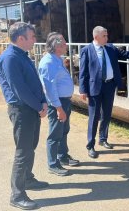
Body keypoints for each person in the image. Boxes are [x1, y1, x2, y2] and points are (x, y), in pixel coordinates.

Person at [79, 26, 129, 158]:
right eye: (104, 36)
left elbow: (126, 54)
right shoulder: (86, 51)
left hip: (109, 86)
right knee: (94, 117)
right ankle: (90, 145)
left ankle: (103, 139)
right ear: (96, 37)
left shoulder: (110, 48)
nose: (107, 38)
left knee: (107, 114)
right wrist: (83, 90)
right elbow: (83, 72)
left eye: (107, 35)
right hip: (95, 88)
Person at [0, 22, 48, 210]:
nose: (35, 40)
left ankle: (27, 178)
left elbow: (34, 81)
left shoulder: (22, 56)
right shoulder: (10, 58)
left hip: (32, 108)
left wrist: (43, 101)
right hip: (22, 110)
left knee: (31, 146)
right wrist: (39, 107)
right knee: (23, 151)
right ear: (21, 38)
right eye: (32, 37)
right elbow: (20, 90)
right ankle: (17, 195)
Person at [38, 32, 80, 176]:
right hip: (57, 103)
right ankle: (52, 164)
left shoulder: (56, 59)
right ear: (56, 45)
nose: (66, 45)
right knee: (55, 134)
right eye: (63, 42)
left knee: (63, 131)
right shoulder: (48, 62)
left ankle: (62, 156)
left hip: (64, 102)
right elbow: (49, 89)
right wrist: (58, 108)